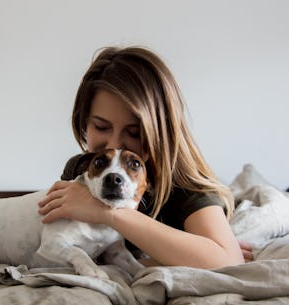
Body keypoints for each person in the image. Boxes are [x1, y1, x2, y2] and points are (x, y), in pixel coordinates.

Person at [38, 46, 253, 269]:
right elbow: (60, 247)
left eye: (134, 133)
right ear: (84, 122)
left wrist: (109, 214)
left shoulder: (184, 185)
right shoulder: (82, 171)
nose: (114, 144)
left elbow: (228, 260)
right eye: (101, 127)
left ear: (163, 133)